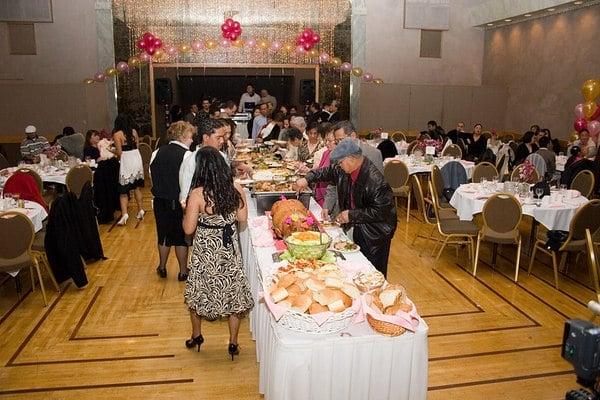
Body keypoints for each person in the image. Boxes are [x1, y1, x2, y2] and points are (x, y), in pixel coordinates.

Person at [183, 146, 254, 360]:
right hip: (228, 247)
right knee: (233, 294)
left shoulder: (197, 194)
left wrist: (185, 211)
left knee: (199, 291)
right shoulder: (235, 188)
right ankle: (233, 342)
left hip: (206, 249)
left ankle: (197, 335)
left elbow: (188, 229)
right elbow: (242, 219)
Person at [295, 139, 397, 276]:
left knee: (371, 273)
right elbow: (325, 172)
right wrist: (307, 179)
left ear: (351, 159)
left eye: (340, 162)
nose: (338, 166)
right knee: (353, 268)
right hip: (357, 226)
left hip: (375, 234)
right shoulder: (345, 168)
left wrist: (351, 215)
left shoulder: (376, 181)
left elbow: (380, 212)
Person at [150, 121, 194, 281]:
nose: (191, 140)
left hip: (160, 200)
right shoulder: (188, 156)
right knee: (181, 237)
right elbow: (189, 182)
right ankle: (183, 271)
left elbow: (152, 176)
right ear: (182, 137)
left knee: (163, 236)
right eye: (190, 137)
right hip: (179, 201)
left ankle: (162, 267)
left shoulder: (157, 152)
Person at [179, 118, 227, 205]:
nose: (222, 141)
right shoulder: (192, 161)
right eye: (218, 138)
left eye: (223, 137)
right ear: (206, 137)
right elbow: (185, 197)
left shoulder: (222, 156)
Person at [113, 114, 145, 226]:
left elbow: (119, 152)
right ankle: (140, 209)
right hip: (136, 157)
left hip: (126, 159)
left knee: (123, 190)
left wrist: (111, 151)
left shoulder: (117, 135)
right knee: (136, 187)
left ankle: (125, 214)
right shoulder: (134, 132)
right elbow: (137, 145)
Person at [313, 127, 339, 220]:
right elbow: (319, 172)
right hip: (320, 195)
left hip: (329, 199)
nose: (326, 143)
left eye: (330, 141)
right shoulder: (326, 153)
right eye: (326, 140)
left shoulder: (340, 158)